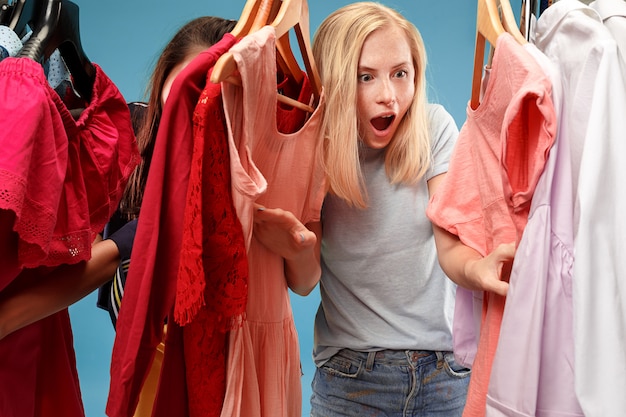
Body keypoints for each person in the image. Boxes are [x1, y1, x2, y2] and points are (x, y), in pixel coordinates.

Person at [255, 3, 512, 416]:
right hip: (353, 379)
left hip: (445, 375)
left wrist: (477, 270)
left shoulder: (434, 128)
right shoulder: (314, 148)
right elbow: (304, 283)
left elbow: (450, 247)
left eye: (400, 73)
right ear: (337, 82)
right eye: (365, 77)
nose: (388, 94)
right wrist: (297, 246)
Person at [0, 15, 237, 417]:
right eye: (187, 86)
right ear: (164, 81)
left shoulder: (247, 173)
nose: (199, 105)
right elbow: (78, 264)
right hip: (148, 379)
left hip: (233, 372)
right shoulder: (128, 140)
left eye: (220, 92)